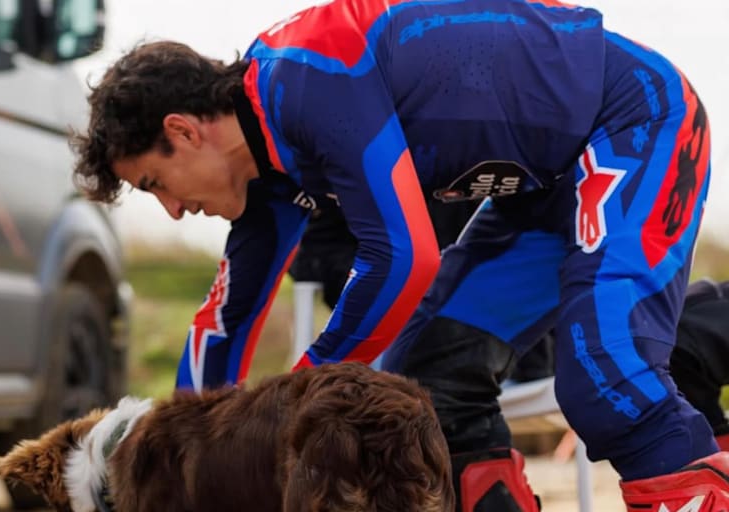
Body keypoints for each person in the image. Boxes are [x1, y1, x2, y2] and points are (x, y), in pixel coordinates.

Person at [70, 0, 728, 509]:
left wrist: (294, 400)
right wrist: (172, 465)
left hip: (634, 121)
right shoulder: (265, 164)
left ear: (183, 132)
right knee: (430, 375)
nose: (173, 210)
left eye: (155, 184)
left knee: (604, 377)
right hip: (547, 183)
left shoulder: (304, 77)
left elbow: (403, 258)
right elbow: (222, 328)